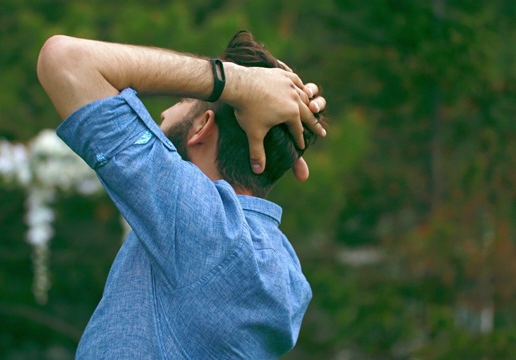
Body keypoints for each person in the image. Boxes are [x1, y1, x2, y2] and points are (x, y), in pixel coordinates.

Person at [37, 30, 327, 359]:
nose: (162, 113)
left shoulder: (204, 229)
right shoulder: (282, 266)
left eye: (183, 99)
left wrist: (233, 81)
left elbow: (66, 61)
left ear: (202, 126)